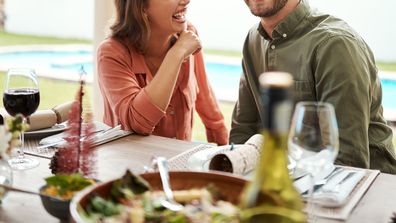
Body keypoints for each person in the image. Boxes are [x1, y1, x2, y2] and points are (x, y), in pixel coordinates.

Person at [230, 0, 396, 173]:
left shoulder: (335, 44)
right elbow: (243, 130)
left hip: (367, 188)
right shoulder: (253, 39)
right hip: (286, 180)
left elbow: (347, 162)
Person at [97, 0, 229, 145]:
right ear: (141, 7)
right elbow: (138, 122)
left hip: (178, 165)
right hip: (129, 165)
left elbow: (205, 99)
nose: (186, 1)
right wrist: (176, 55)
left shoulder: (188, 36)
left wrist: (226, 154)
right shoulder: (111, 53)